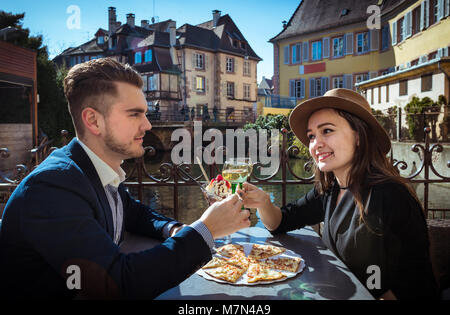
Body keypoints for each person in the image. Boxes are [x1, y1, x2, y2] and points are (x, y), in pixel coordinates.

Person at [0, 58, 250, 299]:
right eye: (135, 114)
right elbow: (118, 283)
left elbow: (131, 212)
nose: (148, 125)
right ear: (93, 120)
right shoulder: (52, 187)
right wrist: (205, 230)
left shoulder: (90, 170)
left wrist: (172, 228)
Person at [238, 88, 438, 300]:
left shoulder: (388, 196)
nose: (316, 144)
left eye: (327, 131)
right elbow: (280, 222)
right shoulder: (331, 189)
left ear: (359, 136)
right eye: (312, 136)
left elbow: (410, 285)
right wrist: (262, 202)